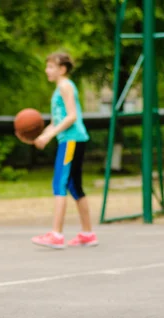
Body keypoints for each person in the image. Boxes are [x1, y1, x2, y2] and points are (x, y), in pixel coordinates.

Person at [29, 52, 98, 249]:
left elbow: (72, 117)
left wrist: (49, 136)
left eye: (51, 67)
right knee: (75, 186)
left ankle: (56, 235)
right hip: (72, 139)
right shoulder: (60, 88)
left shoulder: (65, 86)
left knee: (59, 183)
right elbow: (56, 121)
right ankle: (88, 233)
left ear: (62, 69)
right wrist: (43, 134)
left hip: (71, 140)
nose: (46, 70)